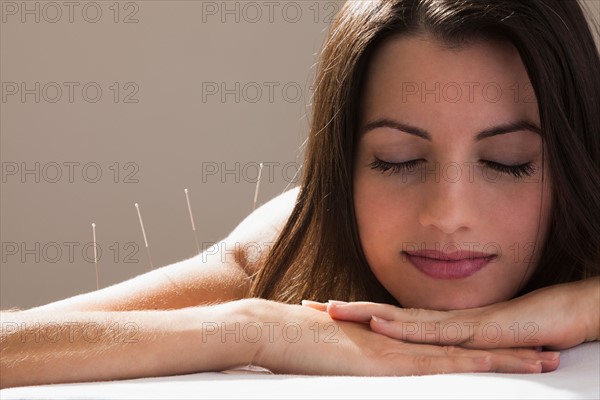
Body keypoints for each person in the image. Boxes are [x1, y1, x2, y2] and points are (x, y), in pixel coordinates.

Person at [1, 0, 599, 389]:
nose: (448, 214)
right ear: (343, 168)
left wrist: (584, 305)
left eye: (507, 163)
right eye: (399, 161)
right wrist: (254, 327)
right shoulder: (295, 240)